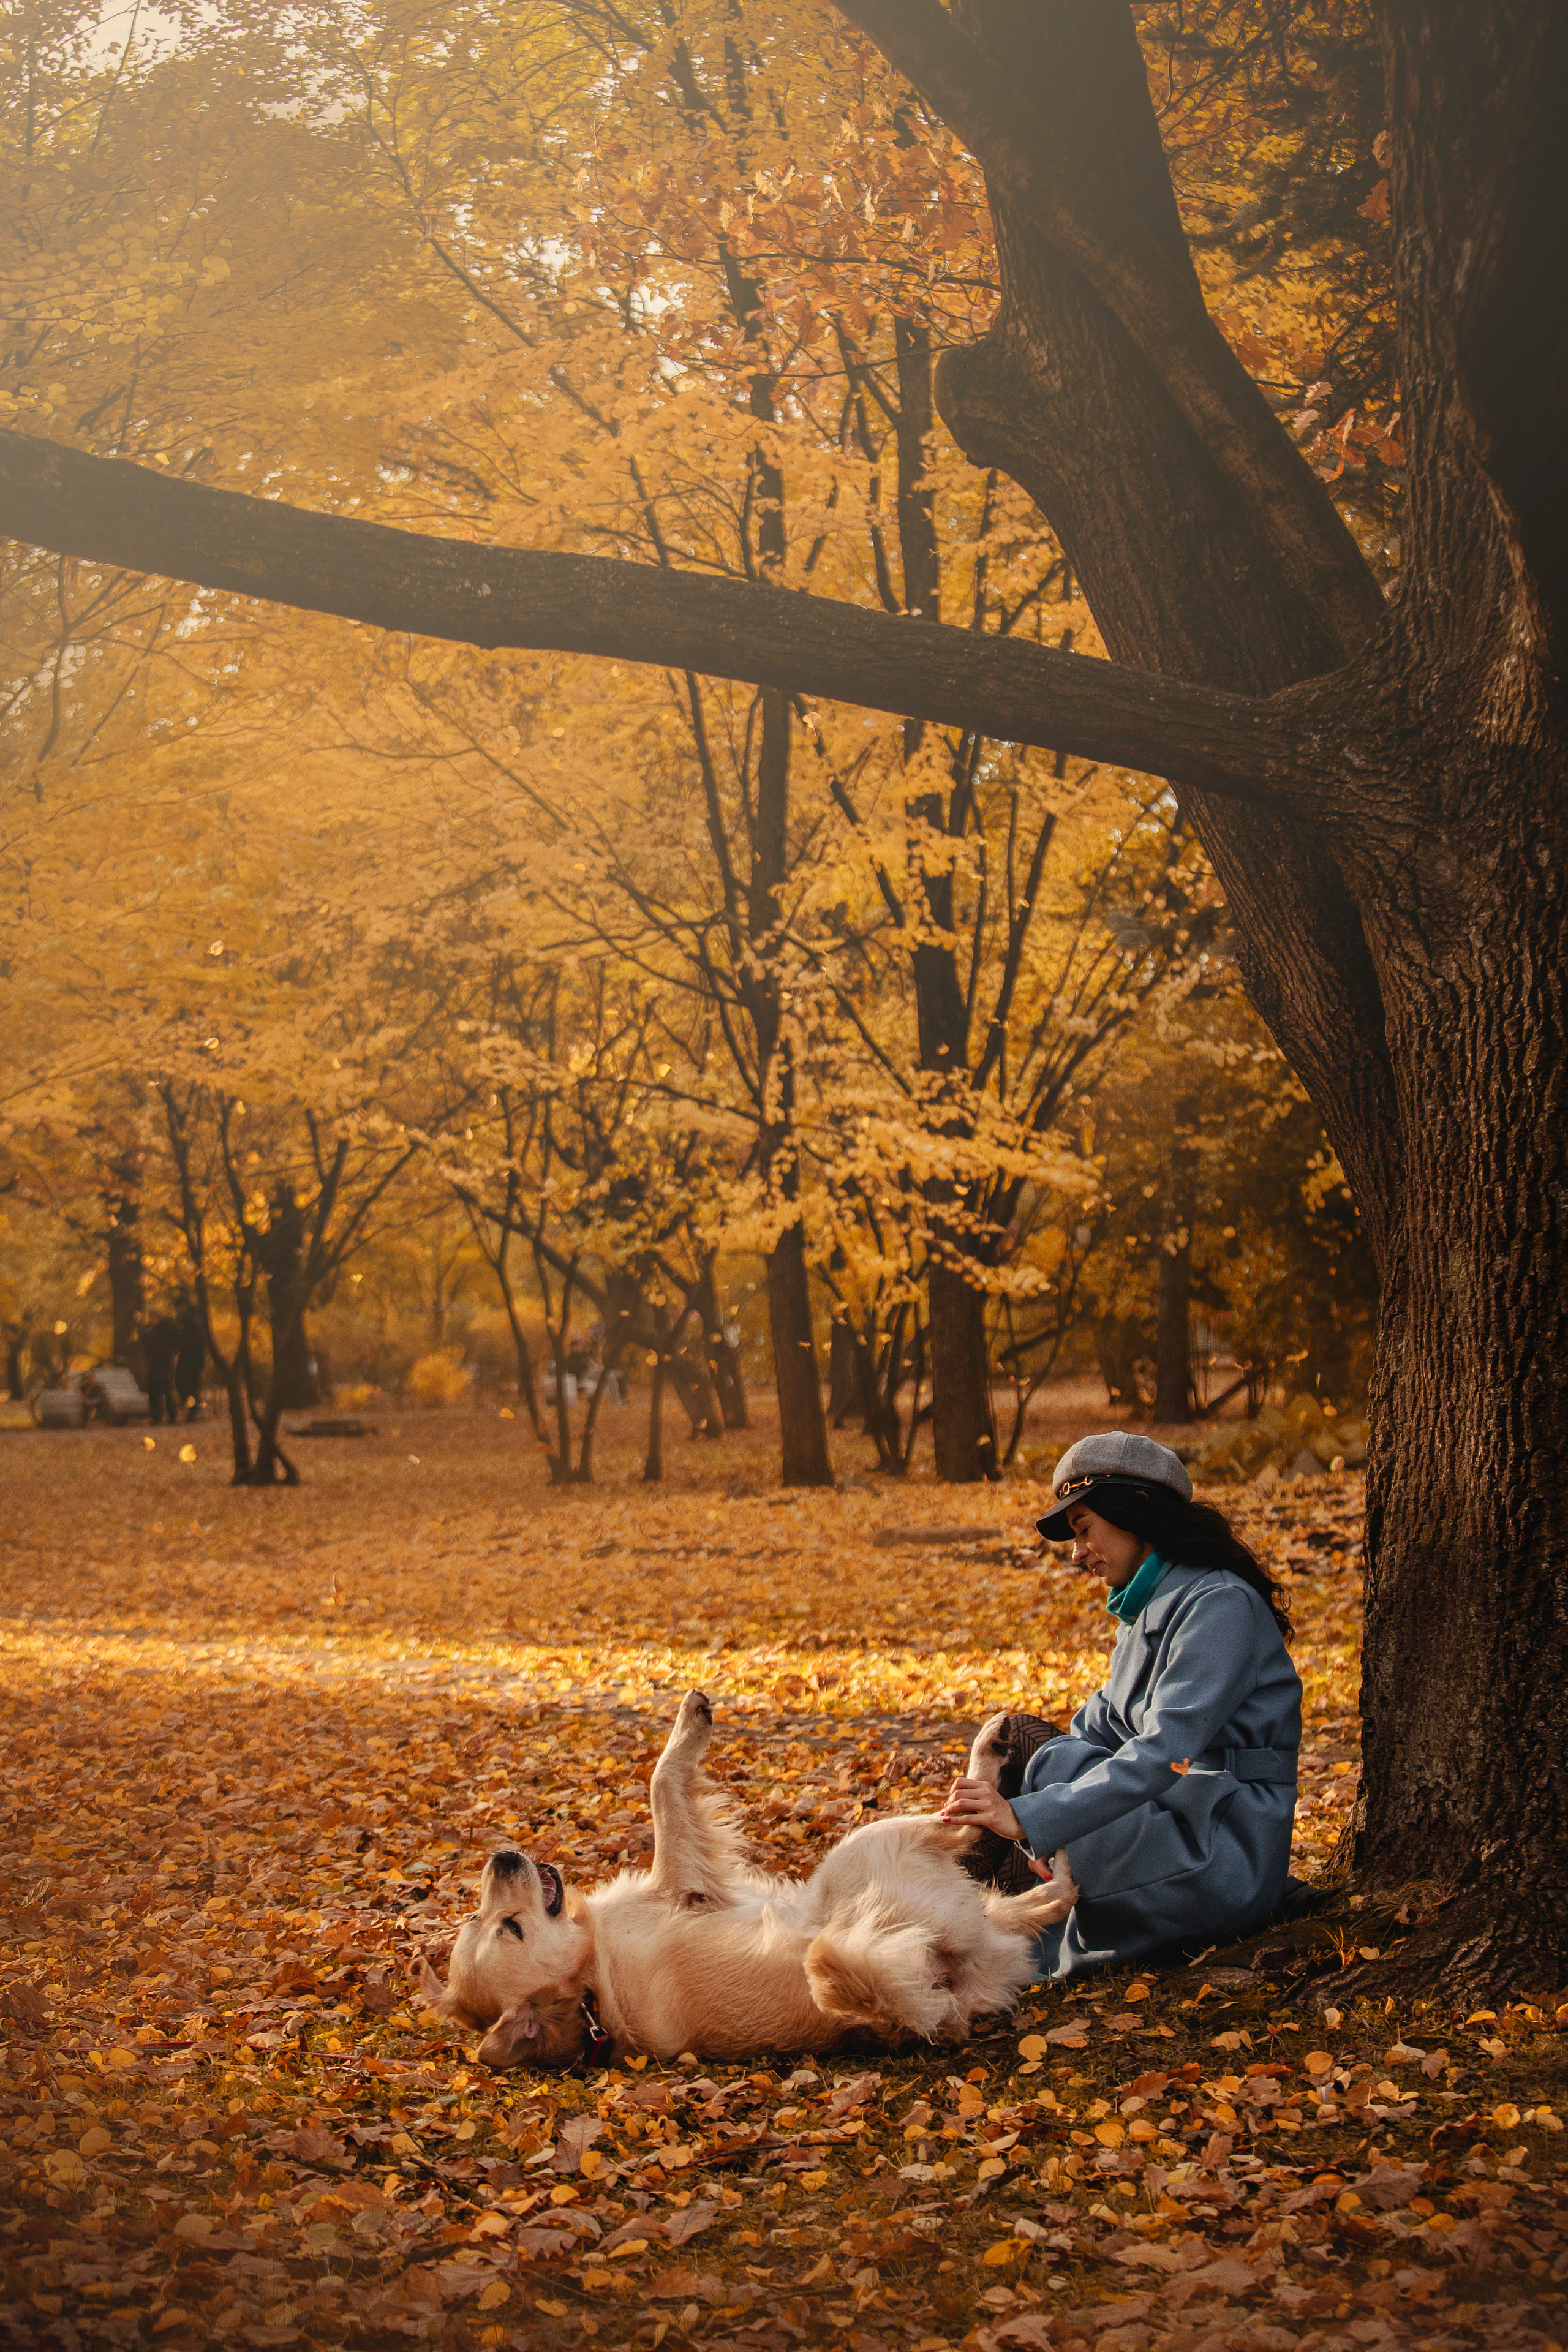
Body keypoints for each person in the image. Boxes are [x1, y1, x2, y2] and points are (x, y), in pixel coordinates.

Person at [942, 1431, 1303, 1981]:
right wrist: (1042, 1820)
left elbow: (1167, 1754)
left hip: (1217, 1843)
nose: (1077, 1552)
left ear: (1135, 1515)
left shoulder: (1219, 1605)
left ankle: (930, 1937)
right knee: (1008, 1775)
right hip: (1172, 1820)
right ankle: (926, 1938)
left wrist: (1032, 1815)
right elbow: (1095, 1733)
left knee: (1013, 1740)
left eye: (1084, 1529)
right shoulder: (1152, 1610)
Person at [141, 1313, 180, 1426]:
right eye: (151, 1318)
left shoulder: (167, 1329)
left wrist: (172, 1356)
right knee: (153, 1392)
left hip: (164, 1364)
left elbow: (173, 1345)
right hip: (153, 1365)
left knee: (167, 1391)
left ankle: (172, 1416)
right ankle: (156, 1418)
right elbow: (146, 1344)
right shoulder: (150, 1330)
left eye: (153, 1318)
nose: (151, 1320)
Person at [173, 1301, 206, 1421]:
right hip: (196, 1357)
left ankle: (194, 1410)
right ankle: (195, 1410)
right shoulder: (196, 1318)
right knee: (193, 1383)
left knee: (184, 1382)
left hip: (190, 1357)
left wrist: (178, 1345)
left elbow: (187, 1339)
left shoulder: (187, 1320)